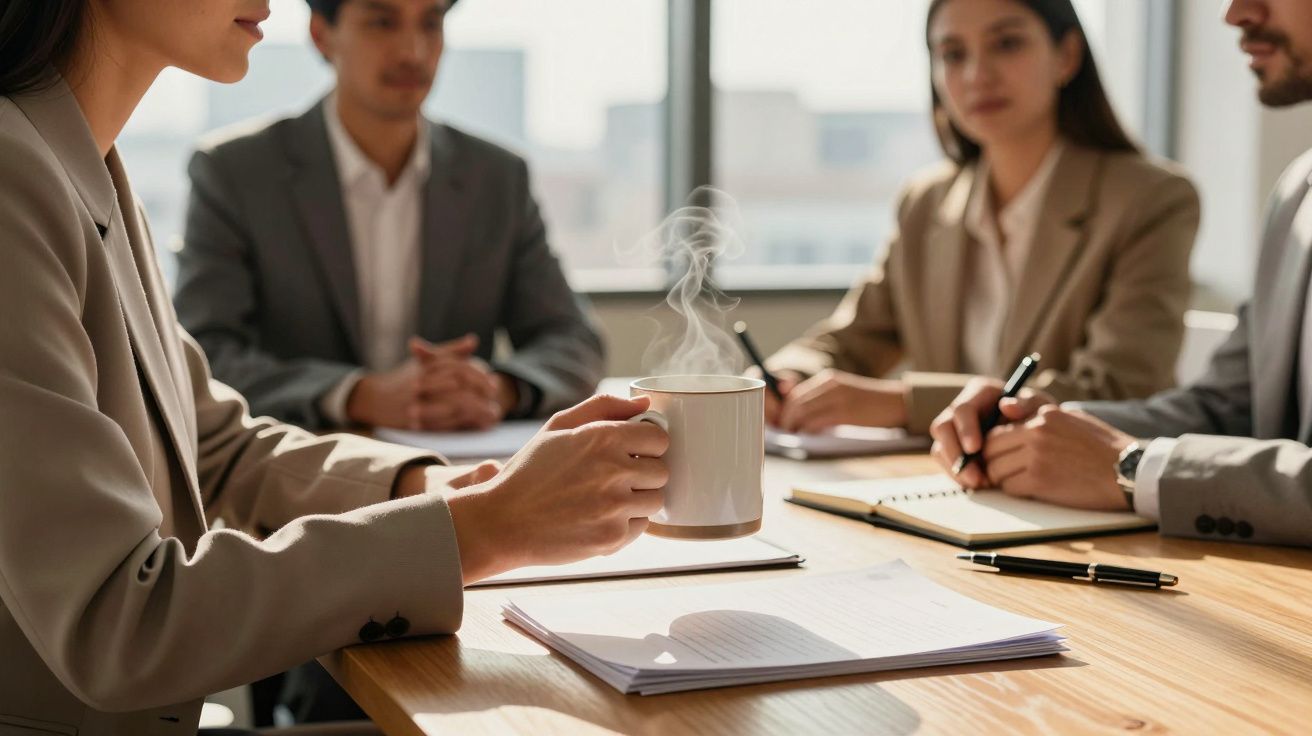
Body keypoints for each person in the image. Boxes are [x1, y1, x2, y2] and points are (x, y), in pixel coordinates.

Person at [0, 2, 667, 734]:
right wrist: (483, 527)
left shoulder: (87, 164)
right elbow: (118, 622)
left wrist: (442, 486)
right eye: (382, 20)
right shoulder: (15, 177)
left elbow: (216, 444)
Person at [928, 0, 1312, 548]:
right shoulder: (1299, 191)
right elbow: (1224, 408)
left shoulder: (1151, 196)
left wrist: (1133, 466)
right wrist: (1051, 427)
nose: (1235, 13)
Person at [764, 0, 1200, 437]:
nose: (977, 75)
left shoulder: (1150, 198)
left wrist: (905, 404)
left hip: (1083, 491)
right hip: (940, 484)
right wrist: (787, 376)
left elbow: (1117, 389)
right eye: (953, 54)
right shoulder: (927, 202)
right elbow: (851, 340)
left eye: (1007, 44)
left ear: (1066, 56)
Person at [173, 0, 605, 433]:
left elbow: (573, 339)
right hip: (302, 474)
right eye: (382, 23)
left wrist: (494, 389)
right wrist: (358, 396)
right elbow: (206, 352)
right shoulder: (236, 173)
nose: (413, 52)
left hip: (463, 471)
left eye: (430, 24)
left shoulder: (495, 177)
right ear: (322, 35)